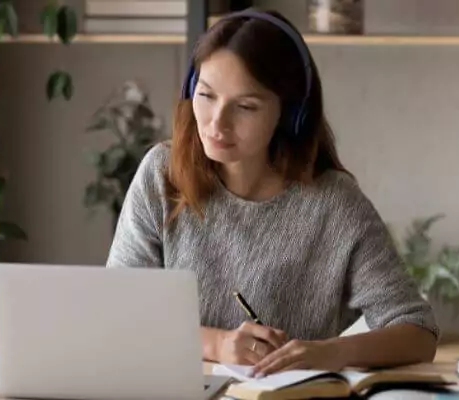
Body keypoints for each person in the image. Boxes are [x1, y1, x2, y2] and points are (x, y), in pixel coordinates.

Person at [105, 8, 439, 376]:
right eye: (206, 95)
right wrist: (217, 344)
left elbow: (418, 332)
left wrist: (331, 353)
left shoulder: (335, 203)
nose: (217, 123)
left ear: (290, 113)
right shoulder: (161, 174)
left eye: (245, 106)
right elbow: (118, 313)